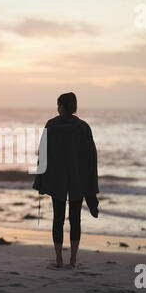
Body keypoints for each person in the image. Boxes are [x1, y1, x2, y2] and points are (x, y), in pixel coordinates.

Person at [33, 92, 99, 268]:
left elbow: (43, 153)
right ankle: (73, 259)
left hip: (57, 178)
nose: (57, 107)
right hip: (78, 179)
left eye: (58, 104)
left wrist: (40, 180)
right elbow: (91, 157)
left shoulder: (51, 125)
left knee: (58, 218)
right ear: (74, 106)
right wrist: (91, 183)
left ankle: (58, 259)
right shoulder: (83, 127)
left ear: (62, 106)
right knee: (75, 218)